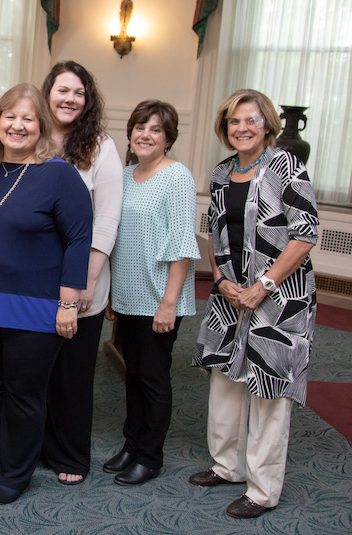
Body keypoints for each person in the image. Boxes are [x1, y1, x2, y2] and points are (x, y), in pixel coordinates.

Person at [191, 89, 319, 519]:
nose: (242, 128)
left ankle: (262, 490)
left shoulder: (287, 168)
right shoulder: (222, 172)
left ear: (267, 124)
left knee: (268, 389)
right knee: (225, 381)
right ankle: (226, 466)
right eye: (234, 122)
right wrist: (223, 279)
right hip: (231, 296)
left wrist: (262, 284)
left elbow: (305, 234)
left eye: (251, 120)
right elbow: (215, 233)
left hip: (280, 297)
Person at [0, 83, 93, 505]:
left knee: (24, 393)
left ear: (41, 127)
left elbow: (79, 240)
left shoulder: (59, 174)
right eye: (9, 116)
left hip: (37, 308)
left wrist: (69, 305)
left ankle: (16, 474)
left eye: (27, 119)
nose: (17, 126)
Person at [103, 100, 199, 486]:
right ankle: (131, 444)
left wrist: (169, 304)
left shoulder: (177, 177)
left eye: (155, 129)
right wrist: (111, 294)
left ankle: (149, 456)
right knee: (133, 374)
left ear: (168, 138)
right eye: (140, 127)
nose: (145, 134)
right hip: (127, 295)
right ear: (130, 133)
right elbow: (117, 237)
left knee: (153, 378)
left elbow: (182, 245)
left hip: (160, 297)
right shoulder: (124, 175)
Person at [41, 61, 123, 485]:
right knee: (36, 370)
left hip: (83, 278)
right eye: (62, 90)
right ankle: (36, 445)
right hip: (34, 279)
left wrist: (86, 283)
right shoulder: (29, 135)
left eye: (79, 92)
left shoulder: (100, 146)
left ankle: (71, 455)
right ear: (47, 93)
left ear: (87, 100)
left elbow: (106, 220)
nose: (70, 99)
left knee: (72, 373)